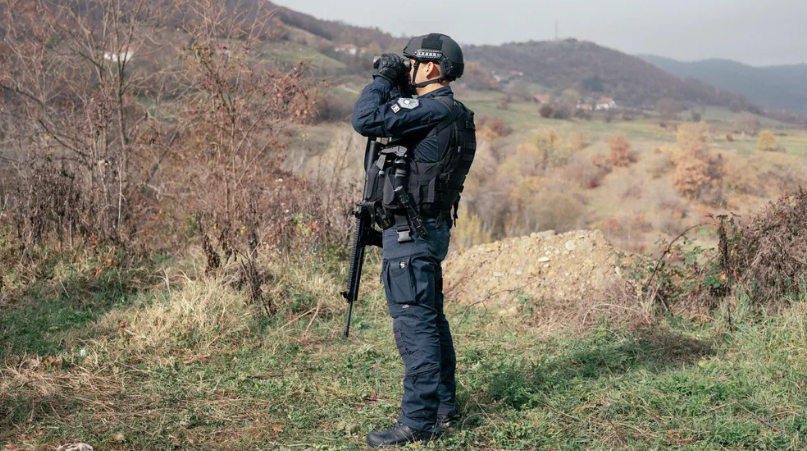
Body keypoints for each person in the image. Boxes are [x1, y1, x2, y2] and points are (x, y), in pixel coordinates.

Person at [352, 33, 477, 448]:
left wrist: (383, 80)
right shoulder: (454, 111)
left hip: (411, 234)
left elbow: (366, 119)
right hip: (430, 228)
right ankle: (442, 408)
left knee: (415, 325)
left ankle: (418, 422)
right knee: (430, 319)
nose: (408, 68)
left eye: (413, 63)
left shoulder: (429, 109)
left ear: (433, 68)